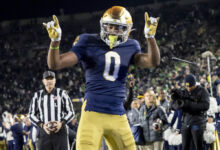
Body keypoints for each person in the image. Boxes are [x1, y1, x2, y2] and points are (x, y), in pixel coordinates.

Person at [43, 6, 160, 150]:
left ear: (127, 30)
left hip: (118, 114)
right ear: (102, 25)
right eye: (109, 26)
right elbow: (55, 64)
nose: (112, 31)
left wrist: (150, 38)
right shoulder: (88, 41)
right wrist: (55, 41)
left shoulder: (131, 45)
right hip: (93, 112)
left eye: (118, 28)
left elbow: (152, 62)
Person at [28, 71, 75, 150]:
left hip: (61, 132)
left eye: (51, 78)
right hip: (44, 132)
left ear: (55, 80)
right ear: (43, 81)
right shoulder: (37, 95)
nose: (49, 81)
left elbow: (71, 112)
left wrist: (61, 123)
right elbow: (31, 114)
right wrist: (42, 125)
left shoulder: (62, 93)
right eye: (47, 79)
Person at [170, 74, 210, 150]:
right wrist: (177, 104)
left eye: (190, 86)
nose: (188, 88)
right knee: (184, 147)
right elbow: (173, 107)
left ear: (195, 84)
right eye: (186, 86)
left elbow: (205, 106)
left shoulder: (202, 91)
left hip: (197, 122)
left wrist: (188, 104)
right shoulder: (183, 92)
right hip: (185, 123)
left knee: (198, 146)